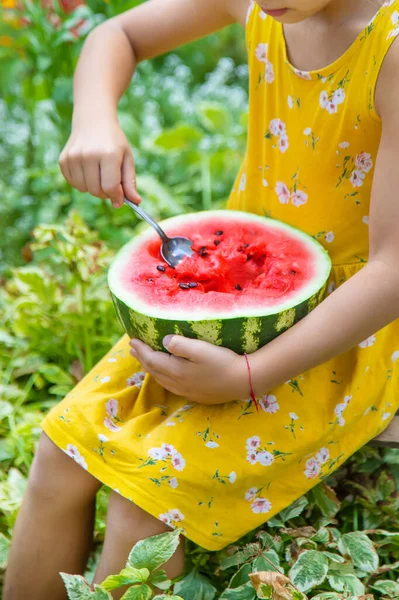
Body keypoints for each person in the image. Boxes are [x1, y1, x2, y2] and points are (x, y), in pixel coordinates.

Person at [5, 0, 399, 598]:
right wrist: (93, 119)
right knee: (59, 451)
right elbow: (119, 34)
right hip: (230, 302)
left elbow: (392, 269)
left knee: (144, 504)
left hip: (347, 333)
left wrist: (250, 373)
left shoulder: (390, 48)